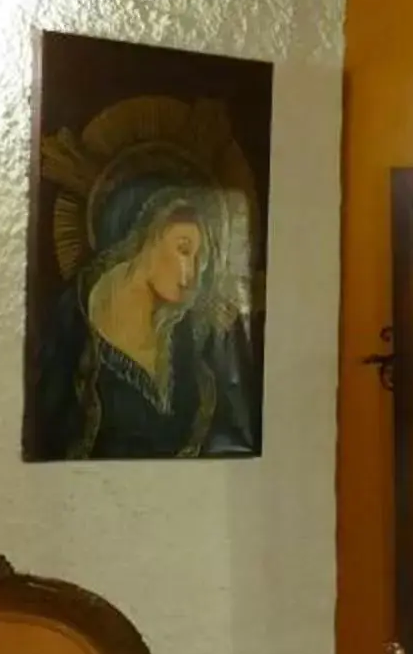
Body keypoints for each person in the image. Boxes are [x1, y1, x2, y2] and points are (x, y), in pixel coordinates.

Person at [34, 172, 259, 458]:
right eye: (183, 249)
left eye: (198, 260)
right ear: (147, 236)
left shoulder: (196, 328)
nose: (189, 275)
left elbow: (234, 439)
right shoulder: (71, 318)